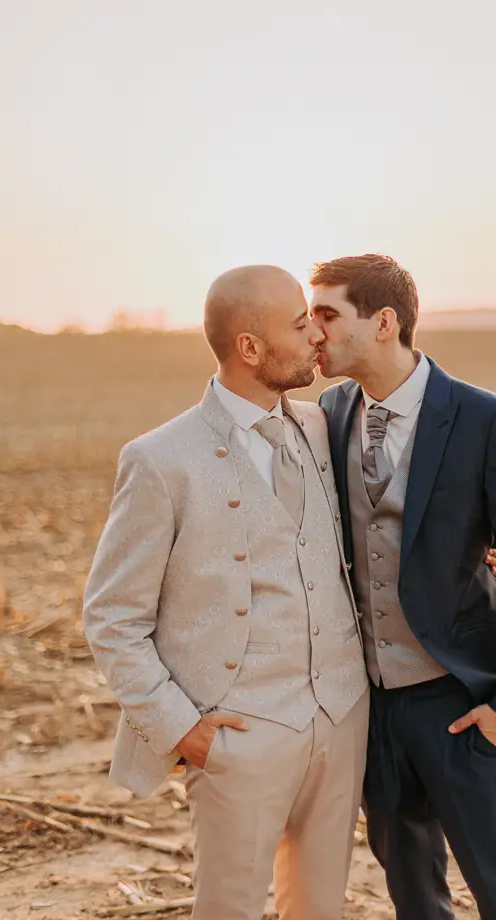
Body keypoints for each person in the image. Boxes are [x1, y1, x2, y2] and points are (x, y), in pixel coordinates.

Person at [83, 266, 370, 920]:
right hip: (236, 735)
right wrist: (182, 730)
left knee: (320, 910)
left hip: (340, 717)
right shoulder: (161, 460)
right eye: (298, 326)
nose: (314, 337)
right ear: (248, 348)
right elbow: (111, 618)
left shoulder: (323, 430)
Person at [311, 254, 496, 920]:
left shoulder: (483, 419)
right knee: (414, 901)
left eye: (327, 315)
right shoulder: (328, 413)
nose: (314, 333)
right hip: (372, 711)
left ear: (383, 322)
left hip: (462, 700)